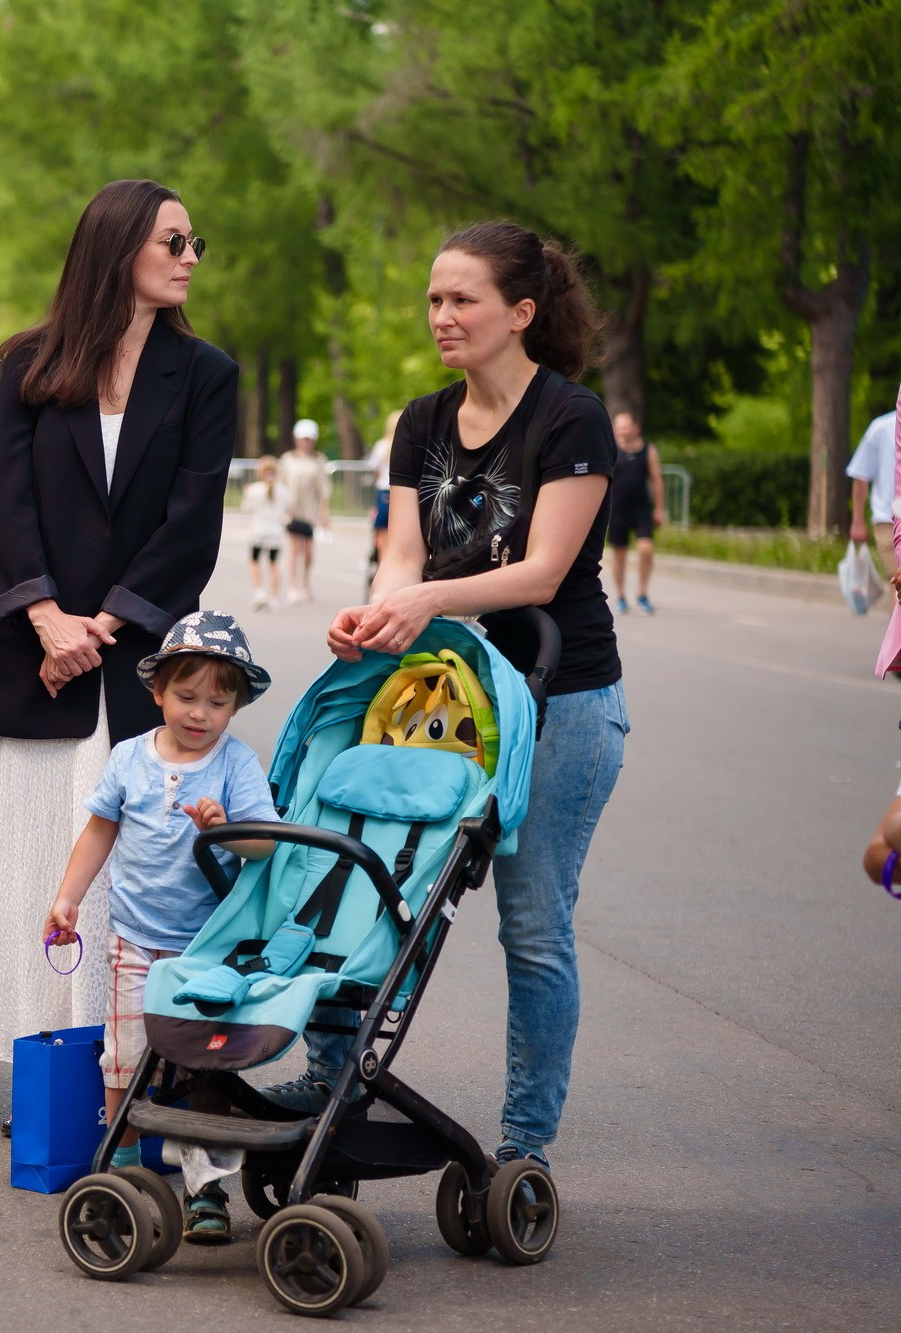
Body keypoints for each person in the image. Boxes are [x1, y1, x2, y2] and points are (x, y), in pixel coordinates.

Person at [282, 220, 627, 1177]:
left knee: (533, 924)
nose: (442, 316)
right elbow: (401, 555)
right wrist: (375, 616)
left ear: (521, 312)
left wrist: (428, 598)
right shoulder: (420, 422)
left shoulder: (572, 419)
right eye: (434, 298)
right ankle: (329, 1081)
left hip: (562, 699)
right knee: (371, 877)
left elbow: (544, 570)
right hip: (441, 697)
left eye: (462, 298)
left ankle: (525, 1144)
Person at [0, 178, 239, 1065]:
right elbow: (1, 499)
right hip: (26, 654)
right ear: (118, 251)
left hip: (137, 658)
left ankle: (121, 1062)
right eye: (173, 244)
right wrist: (44, 616)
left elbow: (192, 522)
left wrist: (100, 628)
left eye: (195, 245)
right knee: (29, 866)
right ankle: (41, 1064)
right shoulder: (29, 364)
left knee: (125, 873)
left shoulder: (206, 374)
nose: (190, 259)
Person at [42, 611, 278, 1242]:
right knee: (122, 1057)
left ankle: (207, 1189)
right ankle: (120, 1164)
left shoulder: (237, 764)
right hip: (136, 937)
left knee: (206, 1066)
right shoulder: (128, 759)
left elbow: (264, 848)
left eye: (217, 702)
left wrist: (224, 828)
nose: (199, 713)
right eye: (186, 696)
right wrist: (67, 898)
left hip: (211, 947)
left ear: (236, 706)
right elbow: (99, 831)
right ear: (157, 692)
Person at [605, 410, 664, 615]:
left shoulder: (648, 450)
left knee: (646, 549)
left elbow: (657, 480)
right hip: (617, 509)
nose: (621, 429)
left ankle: (642, 593)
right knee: (619, 554)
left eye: (625, 425)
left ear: (636, 428)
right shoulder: (610, 449)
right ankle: (621, 595)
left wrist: (659, 508)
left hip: (641, 509)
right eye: (618, 425)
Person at [279, 418, 331, 604]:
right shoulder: (288, 459)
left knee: (308, 549)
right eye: (303, 438)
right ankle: (293, 586)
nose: (306, 442)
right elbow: (281, 484)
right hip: (292, 509)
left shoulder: (319, 460)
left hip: (311, 510)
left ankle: (305, 582)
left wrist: (325, 513)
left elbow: (323, 488)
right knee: (294, 547)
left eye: (309, 438)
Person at [847, 404, 898, 582]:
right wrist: (858, 522)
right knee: (897, 584)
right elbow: (861, 475)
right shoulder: (881, 428)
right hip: (888, 521)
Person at [242, 455, 287, 609]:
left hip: (258, 531)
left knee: (254, 561)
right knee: (274, 564)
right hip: (276, 531)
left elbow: (247, 508)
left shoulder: (254, 489)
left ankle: (259, 592)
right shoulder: (283, 490)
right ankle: (274, 597)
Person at [365, 408, 401, 589]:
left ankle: (382, 573)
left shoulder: (382, 446)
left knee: (383, 537)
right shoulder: (408, 444)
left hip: (384, 492)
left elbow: (374, 468)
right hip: (401, 493)